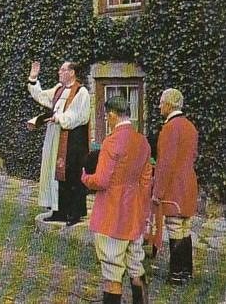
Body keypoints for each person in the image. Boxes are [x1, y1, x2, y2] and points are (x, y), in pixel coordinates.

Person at [81, 96, 152, 304]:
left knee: (112, 272)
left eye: (107, 117)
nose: (107, 121)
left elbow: (101, 181)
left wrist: (85, 178)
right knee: (136, 266)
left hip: (112, 213)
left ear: (112, 114)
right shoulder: (142, 141)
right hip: (135, 213)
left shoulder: (111, 142)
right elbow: (146, 181)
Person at [27, 61, 90, 226]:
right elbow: (41, 96)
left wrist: (59, 118)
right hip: (55, 136)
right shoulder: (58, 89)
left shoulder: (81, 92)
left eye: (62, 70)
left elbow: (79, 115)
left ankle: (73, 212)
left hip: (71, 140)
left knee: (70, 174)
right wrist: (33, 78)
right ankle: (58, 210)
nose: (59, 72)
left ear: (72, 72)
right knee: (53, 172)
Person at [153, 88, 198, 285]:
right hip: (189, 182)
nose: (159, 106)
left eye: (161, 103)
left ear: (169, 104)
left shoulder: (170, 128)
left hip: (174, 185)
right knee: (185, 227)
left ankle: (177, 274)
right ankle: (186, 271)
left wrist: (157, 192)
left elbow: (165, 164)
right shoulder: (190, 126)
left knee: (175, 228)